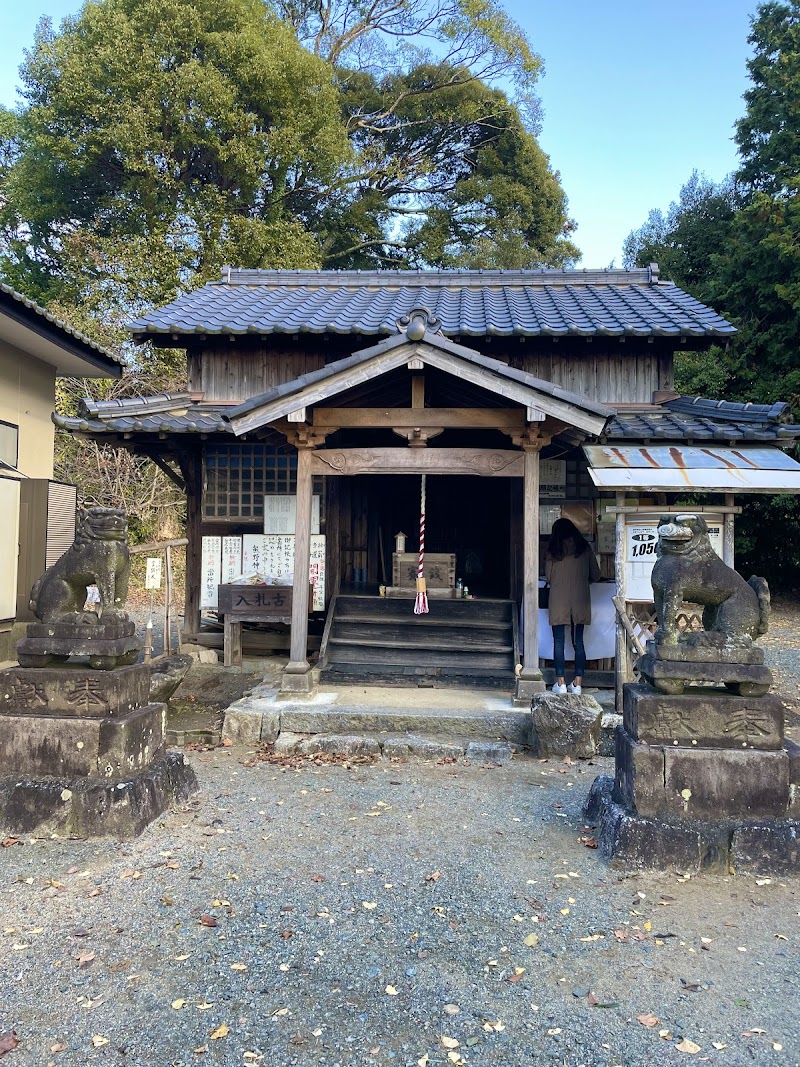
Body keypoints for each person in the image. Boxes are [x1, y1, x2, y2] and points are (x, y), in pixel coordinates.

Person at [545, 517, 601, 696]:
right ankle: (577, 684)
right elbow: (596, 574)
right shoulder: (584, 548)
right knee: (579, 643)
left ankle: (560, 683)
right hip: (580, 599)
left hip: (558, 599)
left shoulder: (553, 550)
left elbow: (548, 577)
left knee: (558, 642)